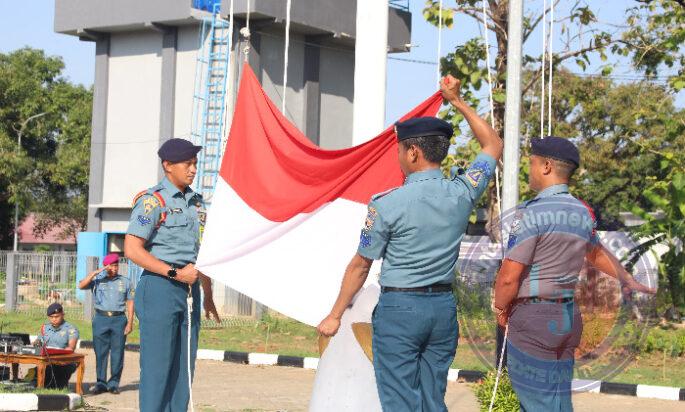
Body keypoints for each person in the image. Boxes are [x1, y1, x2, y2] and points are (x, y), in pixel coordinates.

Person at [317, 74, 503, 411]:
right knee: (433, 400)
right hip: (442, 310)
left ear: (413, 152)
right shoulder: (461, 193)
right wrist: (458, 102)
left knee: (400, 400)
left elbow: (361, 265)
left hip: (400, 311)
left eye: (401, 150)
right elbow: (493, 145)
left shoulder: (386, 204)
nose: (399, 157)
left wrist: (334, 314)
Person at [494, 136, 656, 411]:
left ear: (546, 166)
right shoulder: (581, 212)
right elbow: (597, 254)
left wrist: (500, 307)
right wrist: (628, 279)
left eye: (532, 162)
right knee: (557, 402)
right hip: (567, 317)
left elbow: (510, 275)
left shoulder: (530, 213)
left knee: (537, 404)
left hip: (533, 318)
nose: (530, 168)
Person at [124, 138, 221, 411]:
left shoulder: (196, 203)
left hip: (190, 292)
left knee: (184, 369)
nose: (193, 170)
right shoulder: (152, 201)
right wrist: (175, 274)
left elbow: (198, 255)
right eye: (187, 164)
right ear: (168, 165)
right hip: (160, 288)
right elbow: (132, 248)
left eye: (195, 164)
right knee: (158, 369)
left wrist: (209, 296)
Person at [78, 252, 134, 395]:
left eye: (116, 266)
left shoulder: (125, 281)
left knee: (117, 352)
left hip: (119, 319)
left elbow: (130, 302)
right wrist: (95, 272)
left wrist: (130, 322)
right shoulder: (97, 281)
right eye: (111, 266)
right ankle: (101, 383)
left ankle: (114, 383)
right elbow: (81, 285)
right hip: (101, 319)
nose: (114, 269)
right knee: (100, 353)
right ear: (106, 267)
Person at [34, 303, 79, 389]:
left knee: (57, 386)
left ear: (63, 315)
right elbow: (38, 341)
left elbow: (70, 349)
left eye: (57, 316)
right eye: (51, 317)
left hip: (64, 362)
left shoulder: (71, 329)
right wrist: (37, 343)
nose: (54, 319)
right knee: (37, 379)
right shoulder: (45, 328)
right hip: (47, 361)